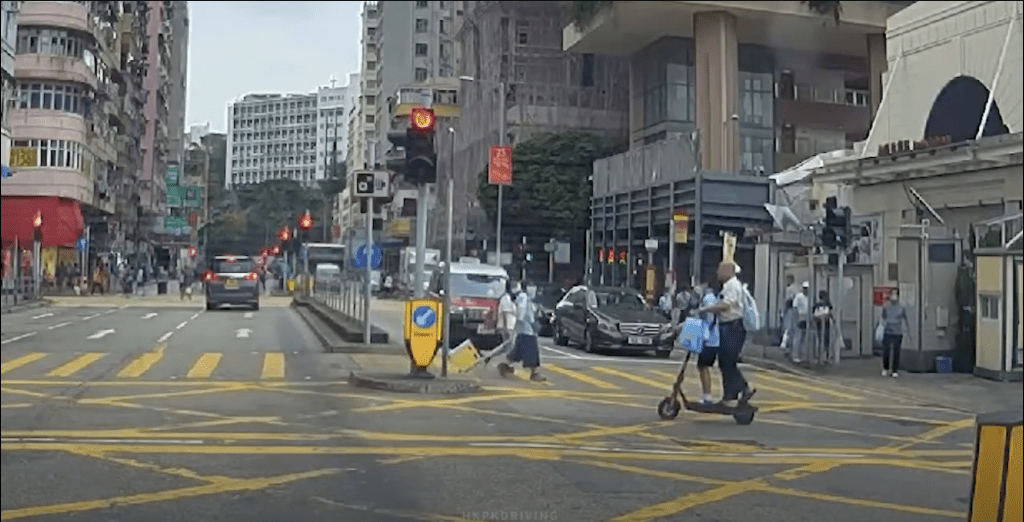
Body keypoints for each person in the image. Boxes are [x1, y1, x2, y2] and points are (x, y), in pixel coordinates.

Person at [695, 261, 754, 408]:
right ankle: (730, 395)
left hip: (733, 327)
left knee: (728, 360)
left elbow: (726, 305)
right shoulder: (728, 286)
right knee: (725, 361)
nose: (718, 273)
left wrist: (707, 309)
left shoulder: (732, 286)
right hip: (729, 326)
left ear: (729, 271)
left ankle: (744, 388)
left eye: (720, 270)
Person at [498, 281, 546, 382]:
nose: (534, 289)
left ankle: (505, 364)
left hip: (524, 329)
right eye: (531, 286)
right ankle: (535, 373)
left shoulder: (525, 297)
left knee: (518, 351)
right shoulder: (523, 296)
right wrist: (522, 319)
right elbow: (522, 310)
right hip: (526, 329)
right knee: (531, 351)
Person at [695, 278, 721, 404]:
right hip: (711, 338)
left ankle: (707, 395)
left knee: (703, 366)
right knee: (702, 366)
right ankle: (706, 394)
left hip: (709, 339)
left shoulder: (709, 298)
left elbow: (709, 318)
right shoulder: (713, 297)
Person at [880, 288, 911, 377]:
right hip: (887, 331)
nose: (894, 296)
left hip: (898, 332)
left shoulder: (901, 307)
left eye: (895, 294)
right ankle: (885, 368)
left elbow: (905, 318)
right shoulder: (886, 306)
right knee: (886, 350)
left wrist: (907, 331)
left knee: (896, 351)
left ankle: (894, 370)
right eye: (892, 294)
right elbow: (883, 317)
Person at [791, 281, 811, 363]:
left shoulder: (809, 297)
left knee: (804, 338)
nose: (806, 290)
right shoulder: (799, 296)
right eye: (805, 288)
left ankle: (803, 355)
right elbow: (794, 307)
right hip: (800, 317)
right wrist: (797, 319)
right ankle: (795, 355)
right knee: (798, 337)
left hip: (807, 319)